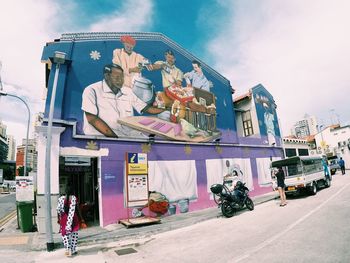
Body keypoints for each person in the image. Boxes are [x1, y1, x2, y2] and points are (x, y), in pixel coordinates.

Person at [82, 63, 165, 137]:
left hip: (126, 136)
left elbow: (146, 108)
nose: (121, 81)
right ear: (107, 76)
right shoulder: (91, 90)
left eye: (122, 77)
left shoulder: (127, 91)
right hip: (103, 138)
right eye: (117, 77)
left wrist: (166, 110)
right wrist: (116, 140)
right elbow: (92, 119)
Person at [56, 184, 83, 257]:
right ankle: (73, 250)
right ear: (72, 191)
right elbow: (77, 209)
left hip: (64, 219)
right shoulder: (74, 198)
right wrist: (82, 219)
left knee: (65, 235)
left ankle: (67, 251)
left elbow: (58, 210)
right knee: (74, 235)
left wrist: (58, 219)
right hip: (74, 218)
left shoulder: (61, 199)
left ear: (65, 191)